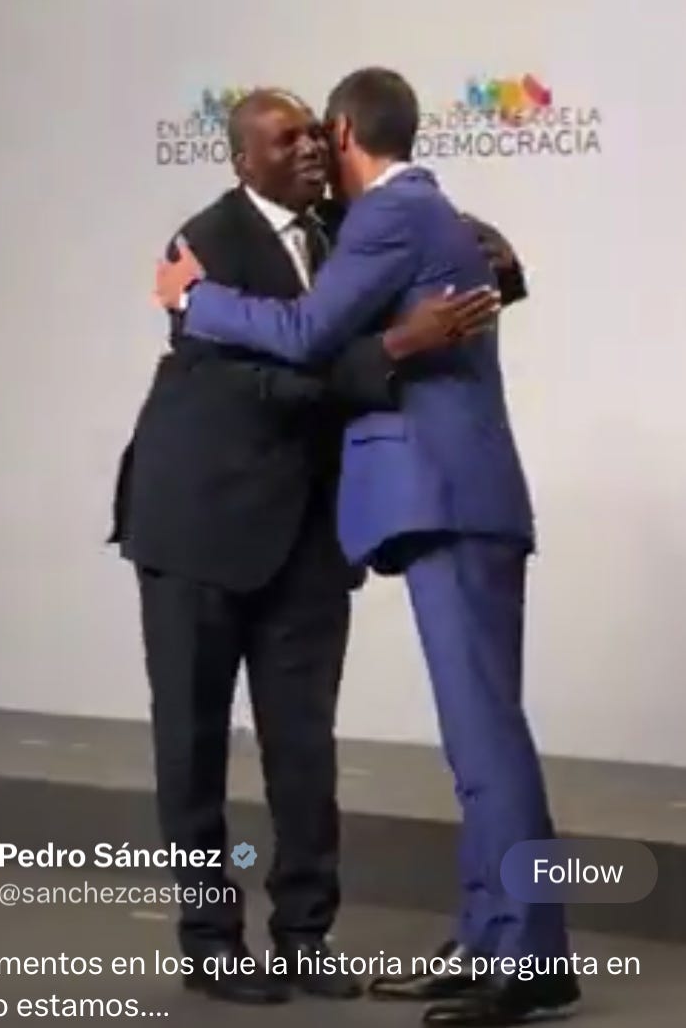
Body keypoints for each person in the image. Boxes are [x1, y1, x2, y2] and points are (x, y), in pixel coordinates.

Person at [154, 69, 578, 1027]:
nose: (309, 150)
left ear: (343, 133)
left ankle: (530, 950)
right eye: (286, 138)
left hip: (447, 498)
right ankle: (491, 937)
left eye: (318, 135)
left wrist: (196, 300)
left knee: (486, 742)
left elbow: (309, 329)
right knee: (479, 742)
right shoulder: (372, 217)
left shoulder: (389, 213)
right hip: (290, 513)